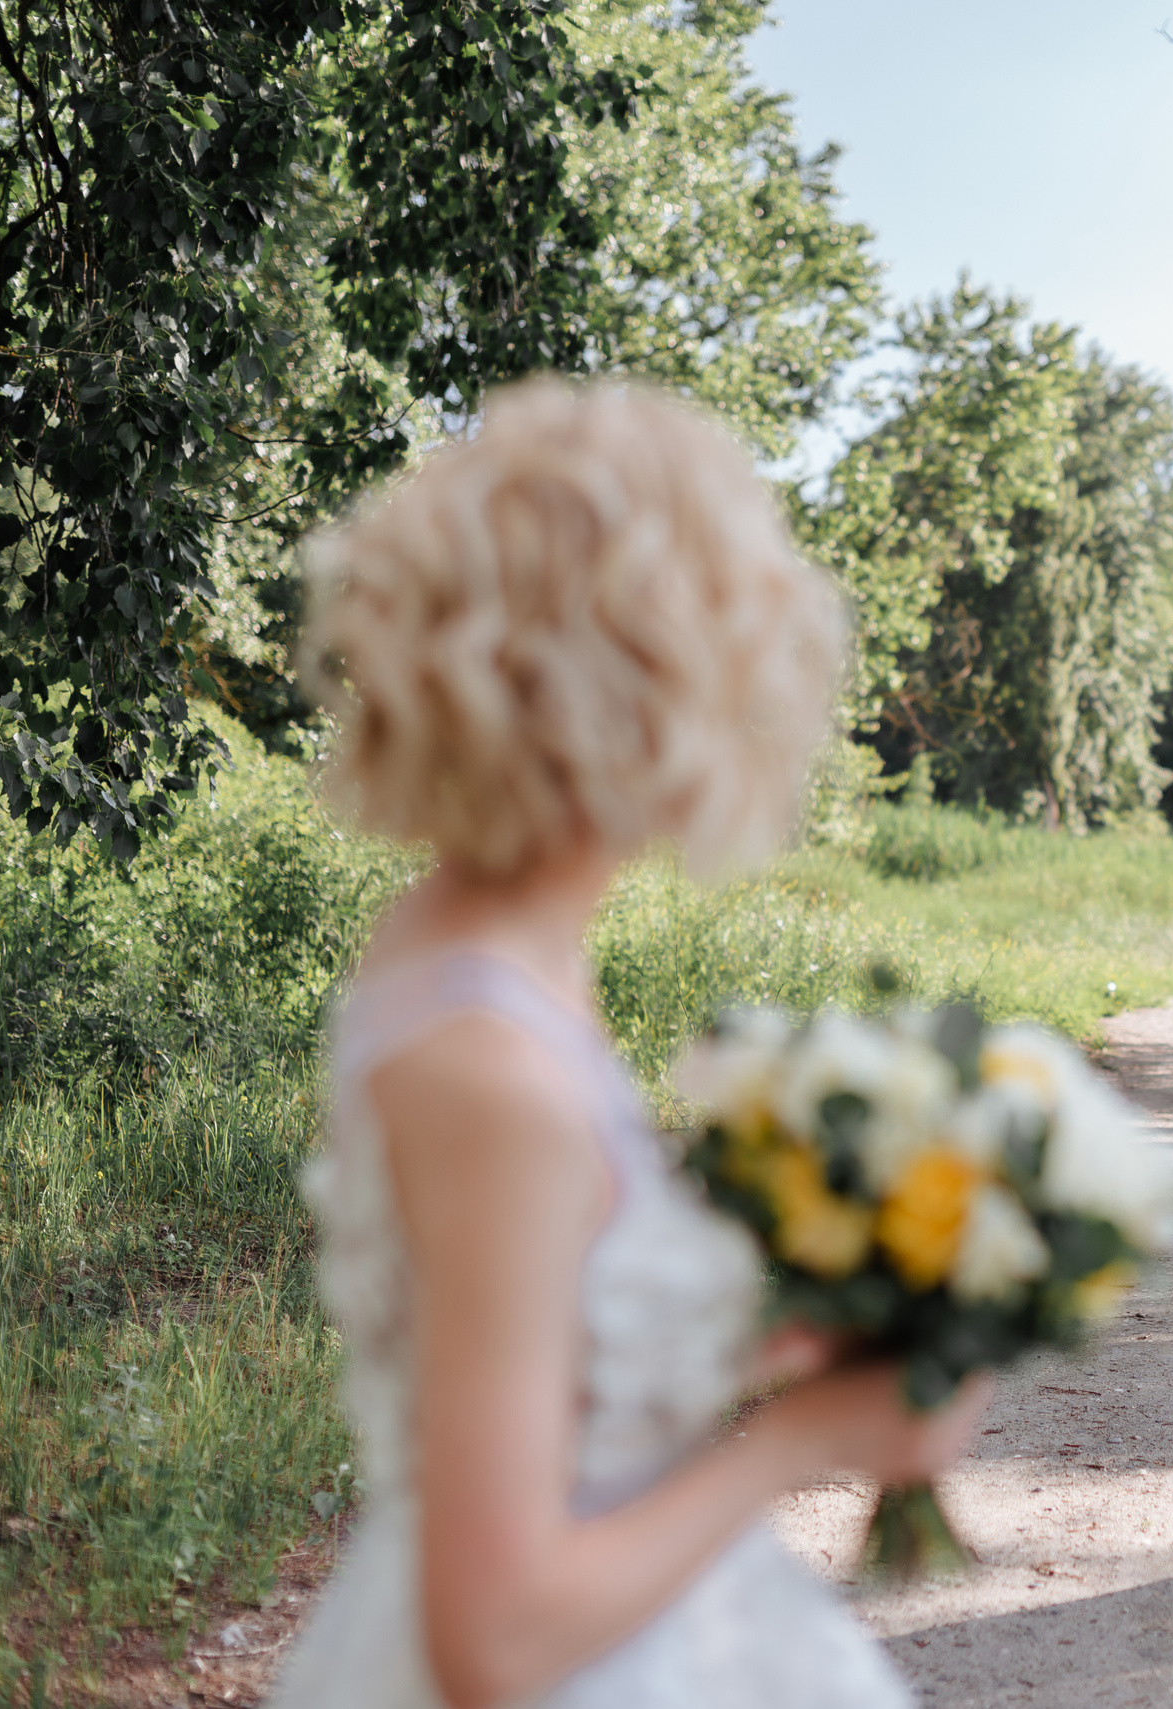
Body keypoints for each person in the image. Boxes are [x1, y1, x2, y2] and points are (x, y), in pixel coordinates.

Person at [268, 378, 986, 1709]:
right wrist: (806, 1438)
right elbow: (495, 1639)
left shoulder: (471, 946)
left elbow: (529, 1332)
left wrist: (755, 1333)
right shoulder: (490, 1056)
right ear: (663, 678)